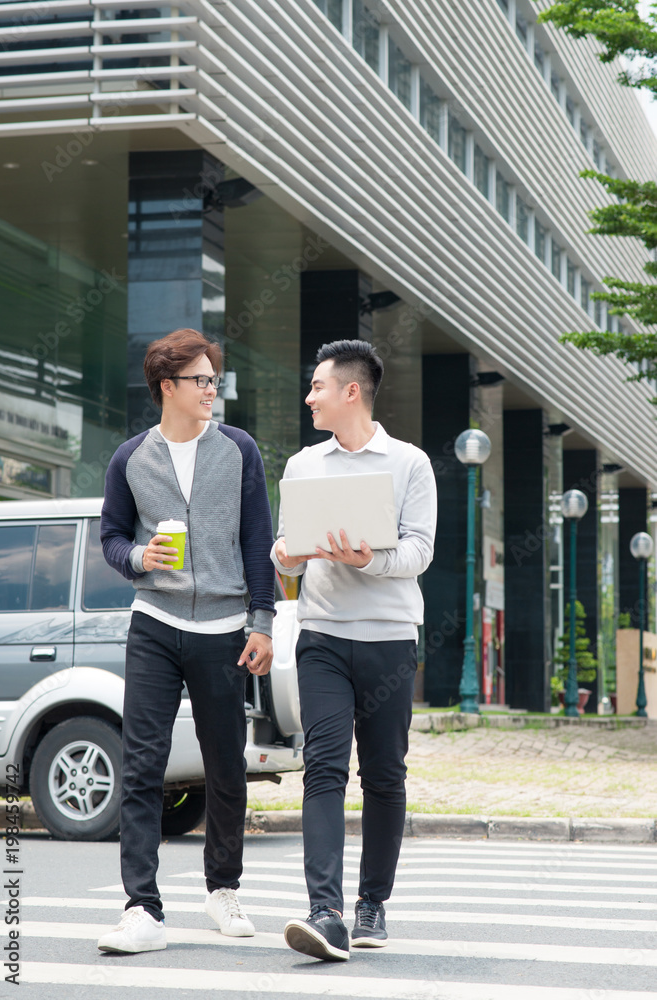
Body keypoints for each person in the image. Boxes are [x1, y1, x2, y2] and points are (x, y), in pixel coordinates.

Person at [97, 328, 275, 954]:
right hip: (155, 622)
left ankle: (222, 889)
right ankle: (141, 908)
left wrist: (262, 620)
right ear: (166, 387)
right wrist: (140, 556)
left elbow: (258, 537)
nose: (211, 389)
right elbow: (112, 538)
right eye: (200, 380)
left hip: (225, 628)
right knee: (143, 763)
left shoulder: (238, 450)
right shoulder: (130, 458)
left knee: (225, 763)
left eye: (213, 378)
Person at [272, 339, 437, 961]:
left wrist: (368, 559)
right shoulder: (302, 464)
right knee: (324, 768)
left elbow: (420, 551)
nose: (309, 397)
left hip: (390, 640)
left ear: (350, 392)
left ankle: (372, 904)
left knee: (385, 776)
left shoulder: (410, 464)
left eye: (317, 387)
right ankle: (326, 911)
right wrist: (287, 555)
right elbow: (284, 548)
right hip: (321, 637)